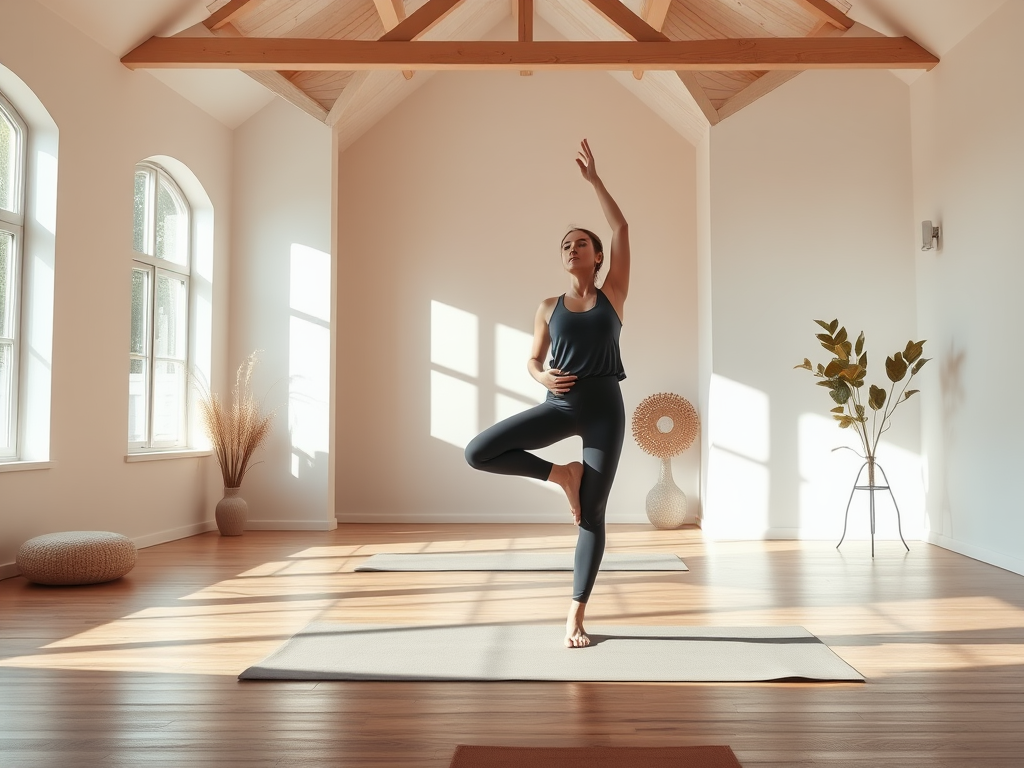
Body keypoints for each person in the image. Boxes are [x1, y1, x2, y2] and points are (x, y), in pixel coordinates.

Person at [464, 138, 630, 648]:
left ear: (598, 256)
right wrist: (540, 379)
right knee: (479, 452)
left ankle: (575, 616)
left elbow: (622, 227)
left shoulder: (614, 294)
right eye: (565, 244)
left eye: (581, 242)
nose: (572, 248)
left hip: (604, 409)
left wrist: (595, 181)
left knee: (594, 514)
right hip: (559, 404)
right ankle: (563, 474)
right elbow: (533, 360)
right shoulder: (546, 306)